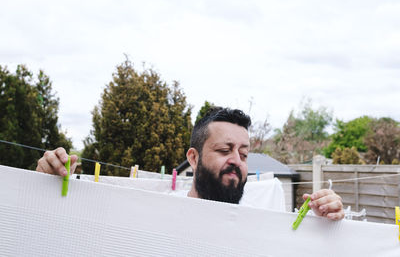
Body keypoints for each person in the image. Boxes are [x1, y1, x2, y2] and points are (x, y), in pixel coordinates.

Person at [36, 107, 344, 220]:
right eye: (225, 150)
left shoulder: (262, 223)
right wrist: (43, 186)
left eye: (244, 153)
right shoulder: (151, 212)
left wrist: (325, 223)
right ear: (193, 159)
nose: (236, 161)